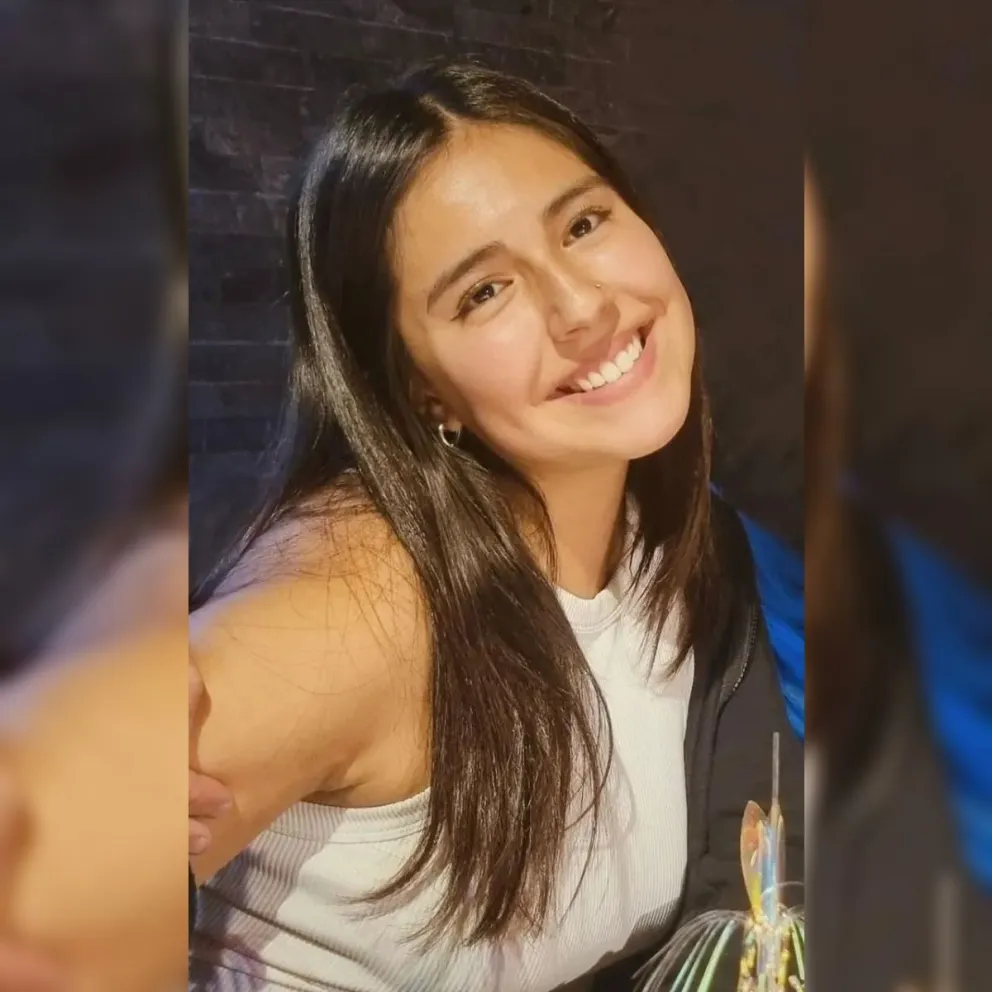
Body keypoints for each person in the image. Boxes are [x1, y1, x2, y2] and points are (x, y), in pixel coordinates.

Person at [188, 61, 803, 992]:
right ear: (421, 390)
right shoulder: (372, 592)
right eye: (484, 292)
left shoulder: (675, 541)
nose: (583, 307)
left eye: (583, 224)